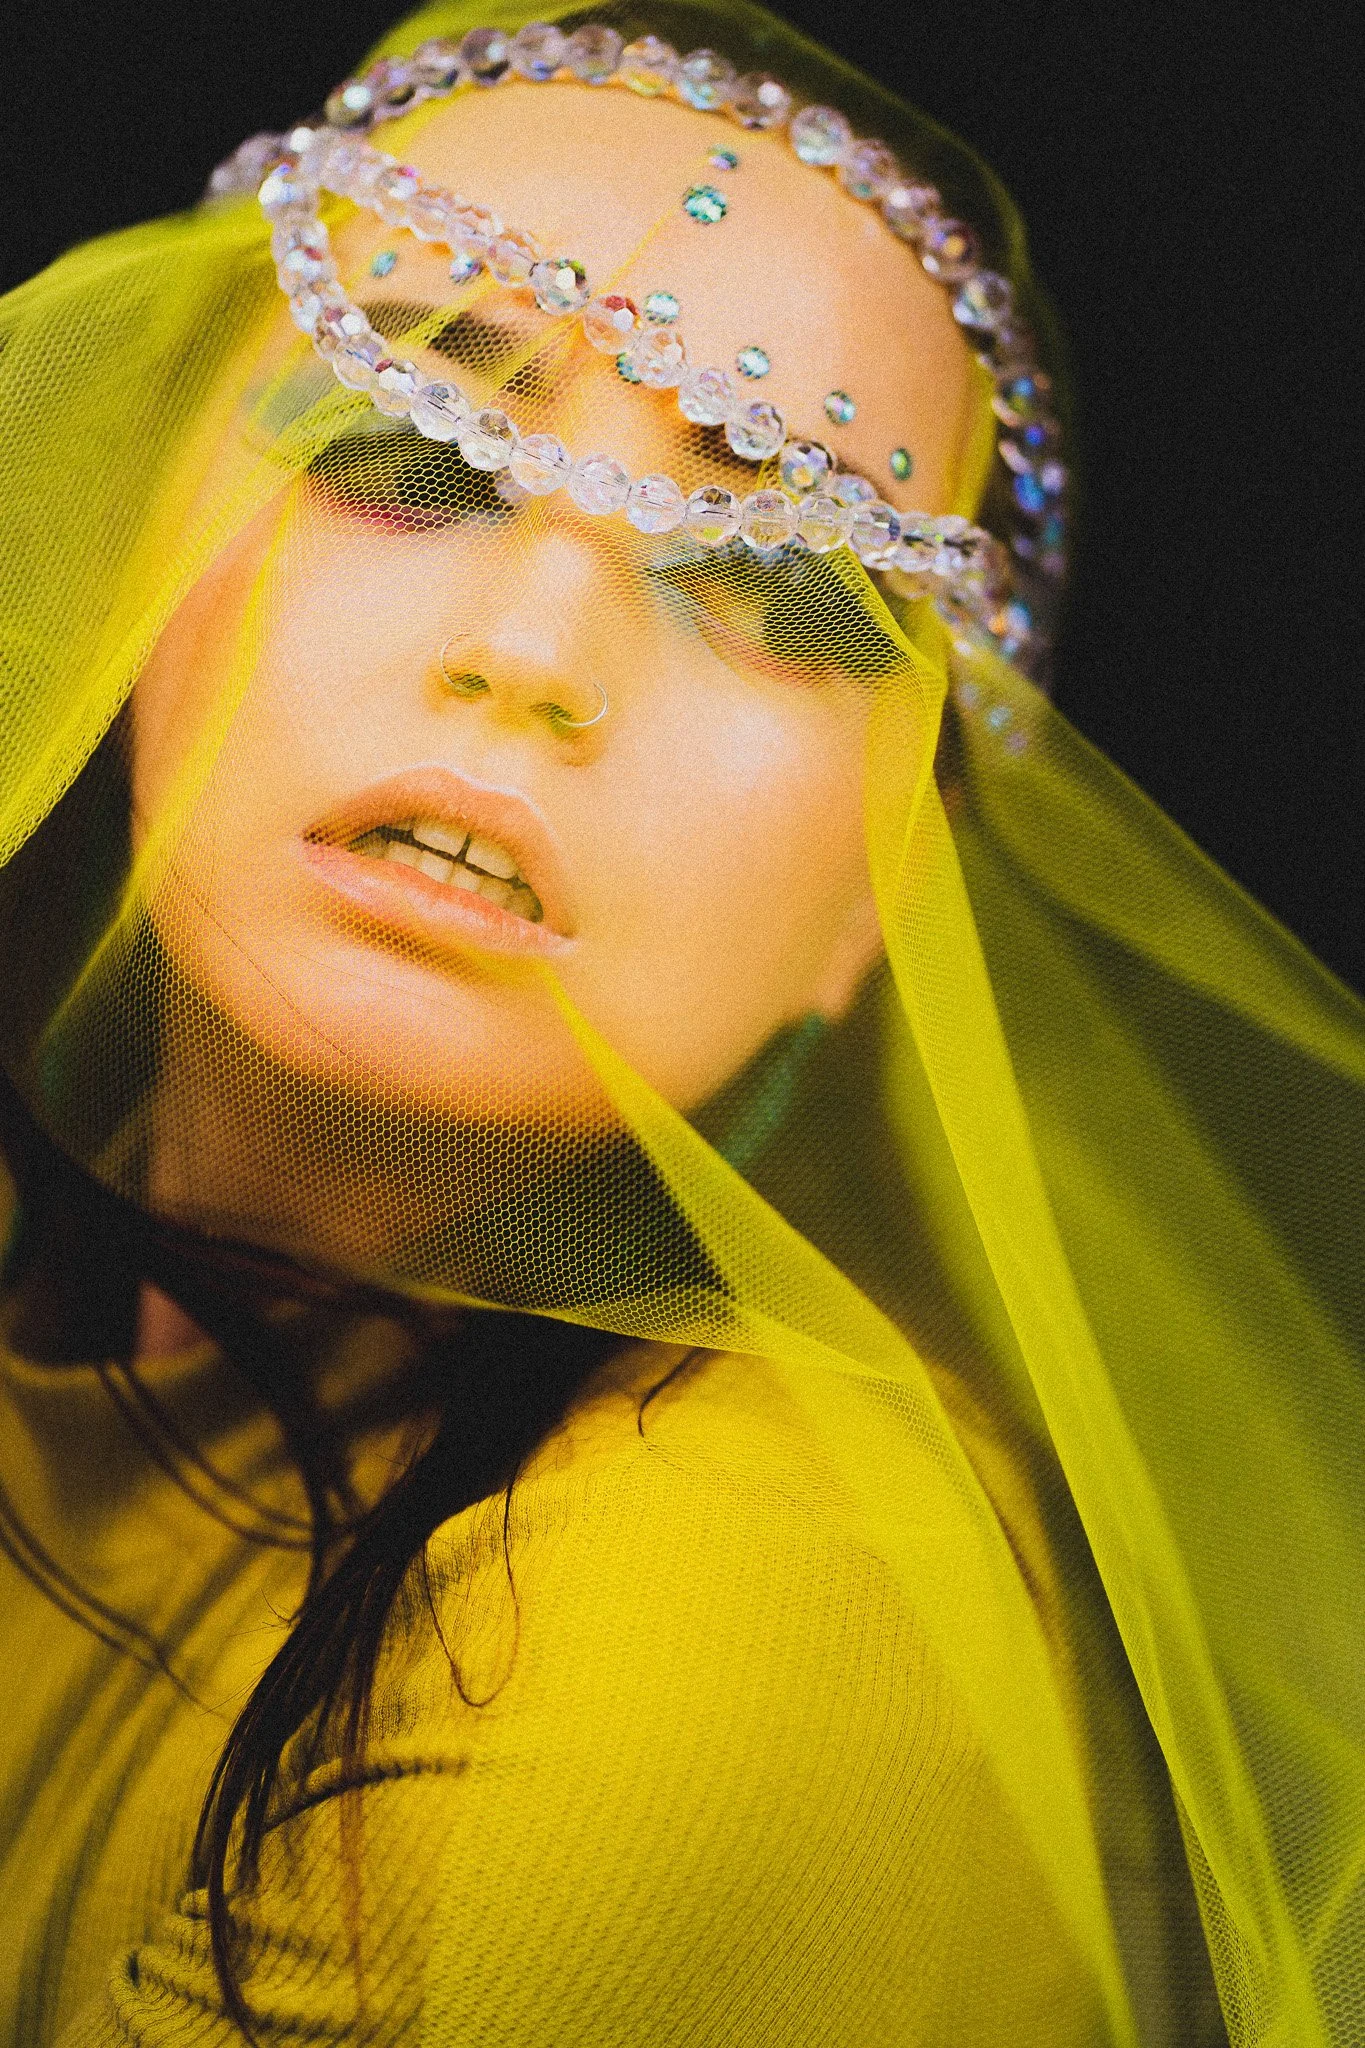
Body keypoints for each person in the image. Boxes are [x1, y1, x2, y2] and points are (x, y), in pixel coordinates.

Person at [1, 3, 1360, 2043]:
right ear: (130, 562)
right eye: (407, 453)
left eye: (789, 588)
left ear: (880, 899)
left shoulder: (738, 1599)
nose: (537, 654)